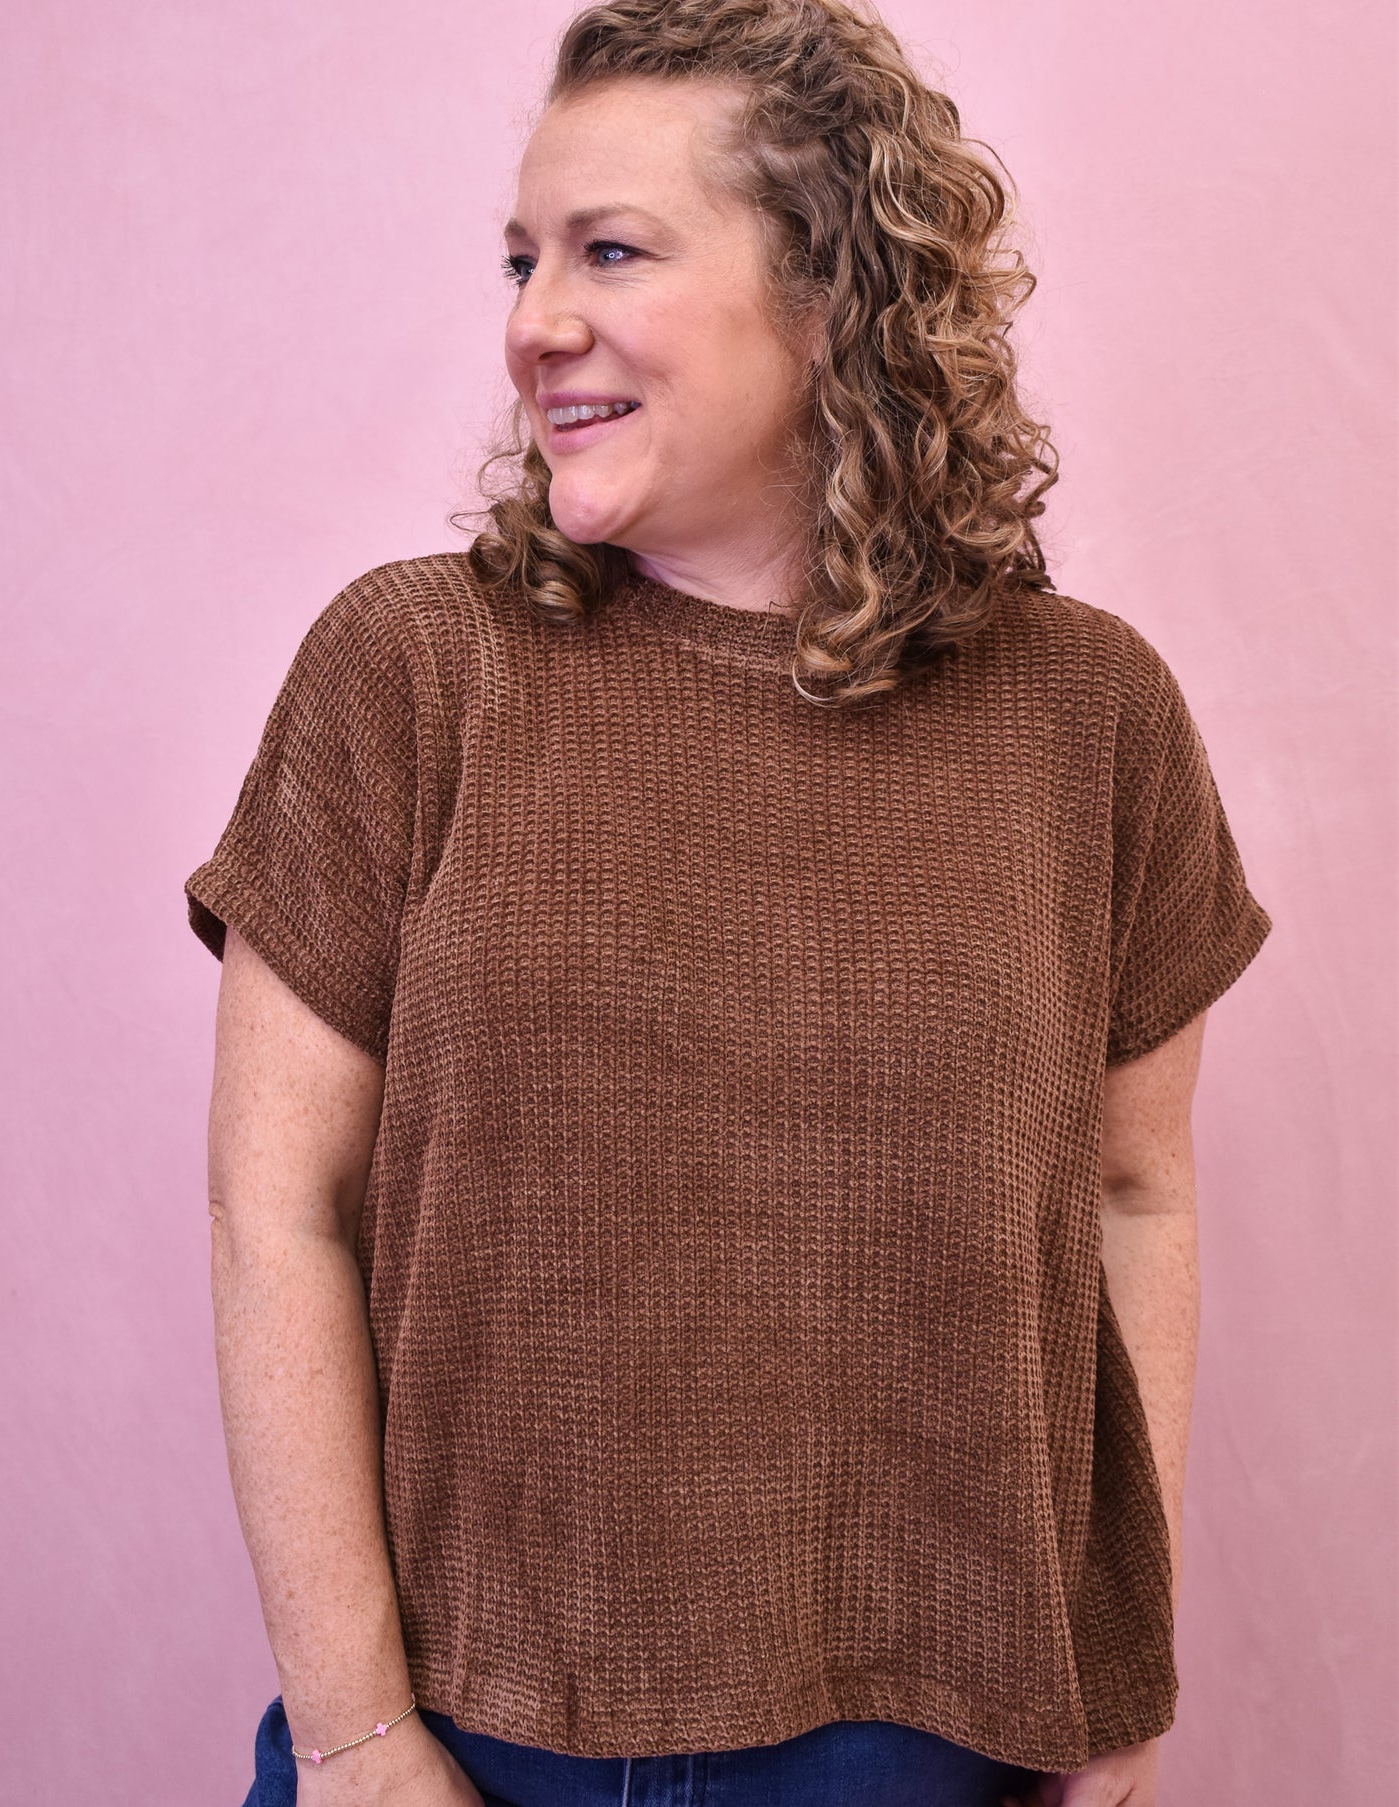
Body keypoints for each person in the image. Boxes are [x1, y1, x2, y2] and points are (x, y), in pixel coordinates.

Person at [185, 3, 1275, 1804]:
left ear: (832, 294)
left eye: (610, 251)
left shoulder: (1086, 715)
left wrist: (1112, 1697)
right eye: (523, 259)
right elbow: (270, 1208)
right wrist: (360, 1742)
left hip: (924, 1745)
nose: (535, 320)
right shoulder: (412, 670)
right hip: (466, 1732)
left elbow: (1132, 1192)